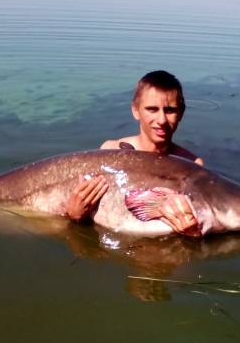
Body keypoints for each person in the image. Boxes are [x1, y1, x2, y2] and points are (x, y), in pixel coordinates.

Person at [65, 70, 203, 236]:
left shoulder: (191, 164)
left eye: (169, 110)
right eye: (152, 109)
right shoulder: (111, 151)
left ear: (181, 113)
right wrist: (73, 216)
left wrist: (193, 232)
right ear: (135, 110)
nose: (161, 120)